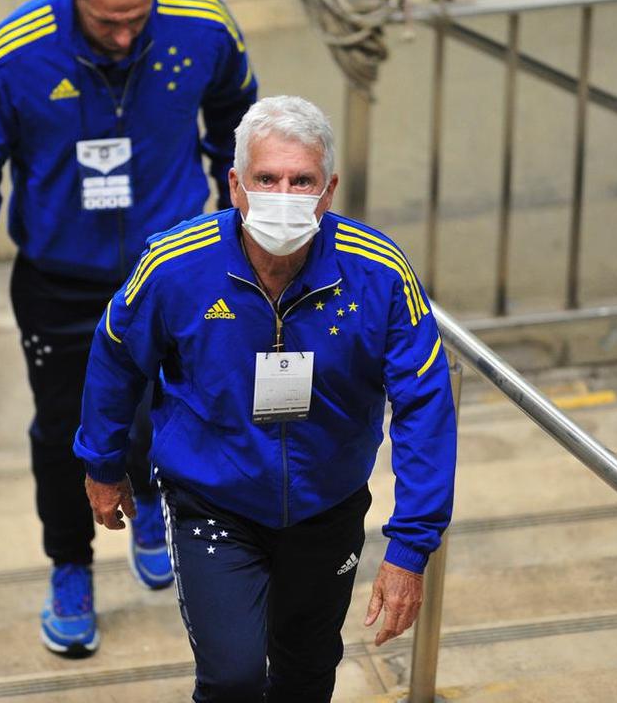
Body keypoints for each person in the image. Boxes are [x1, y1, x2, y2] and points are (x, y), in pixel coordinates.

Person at [0, 0, 257, 657]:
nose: (121, 37)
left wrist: (239, 222)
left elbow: (239, 120)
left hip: (168, 270)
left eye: (136, 20)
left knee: (165, 407)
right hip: (60, 281)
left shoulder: (203, 25)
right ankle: (70, 567)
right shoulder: (12, 55)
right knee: (63, 433)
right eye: (105, 20)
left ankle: (149, 498)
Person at [76, 95, 457, 701]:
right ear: (236, 185)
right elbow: (117, 356)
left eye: (301, 180)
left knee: (306, 672)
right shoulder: (176, 266)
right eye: (266, 178)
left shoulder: (379, 274)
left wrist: (410, 544)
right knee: (233, 678)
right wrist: (102, 462)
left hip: (326, 506)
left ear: (328, 190)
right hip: (214, 504)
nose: (284, 194)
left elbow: (425, 405)